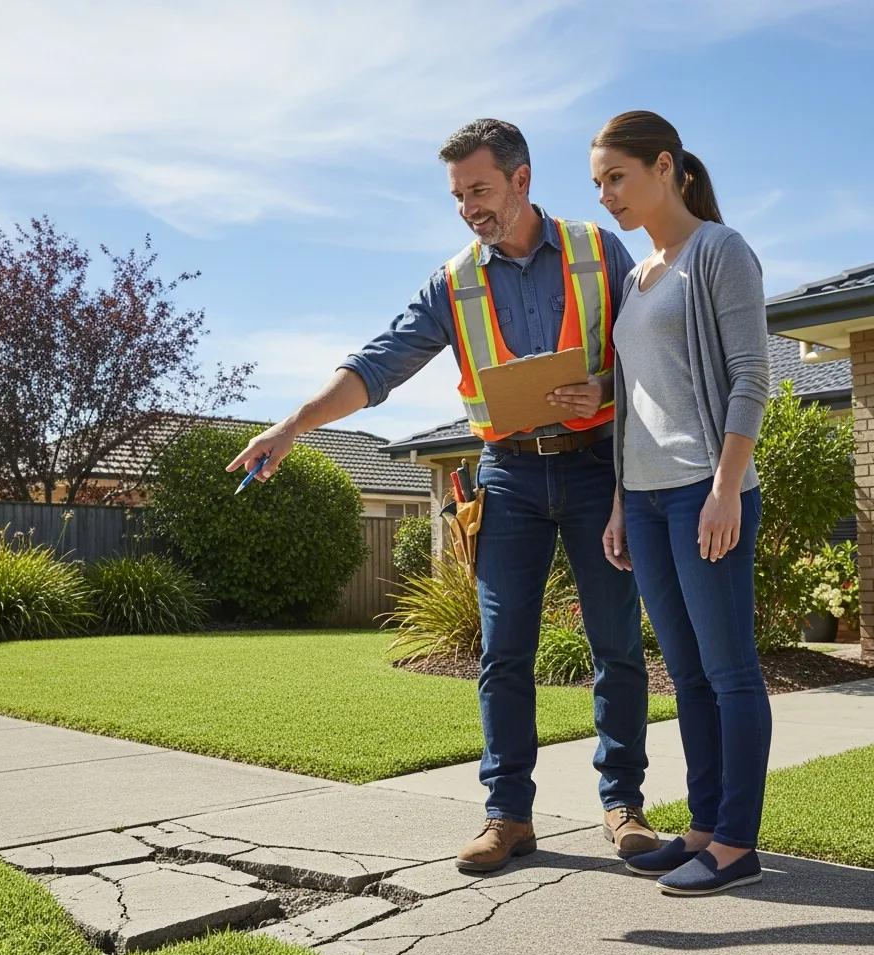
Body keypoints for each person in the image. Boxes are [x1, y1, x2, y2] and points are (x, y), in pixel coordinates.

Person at [228, 118, 660, 872]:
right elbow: (378, 364)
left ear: (522, 181)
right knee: (502, 653)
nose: (469, 208)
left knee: (616, 645)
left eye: (481, 190)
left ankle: (623, 805)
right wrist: (294, 424)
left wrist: (604, 385)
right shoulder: (454, 281)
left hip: (597, 466)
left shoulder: (598, 250)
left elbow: (654, 352)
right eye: (458, 196)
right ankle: (507, 816)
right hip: (509, 476)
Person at [591, 110, 771, 895]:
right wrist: (622, 502)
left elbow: (750, 380)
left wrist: (727, 488)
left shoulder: (720, 253)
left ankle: (737, 844)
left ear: (667, 167)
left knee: (730, 671)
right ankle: (702, 827)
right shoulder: (638, 275)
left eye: (616, 177)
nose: (606, 196)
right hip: (652, 499)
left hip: (707, 489)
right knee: (688, 674)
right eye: (597, 183)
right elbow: (636, 398)